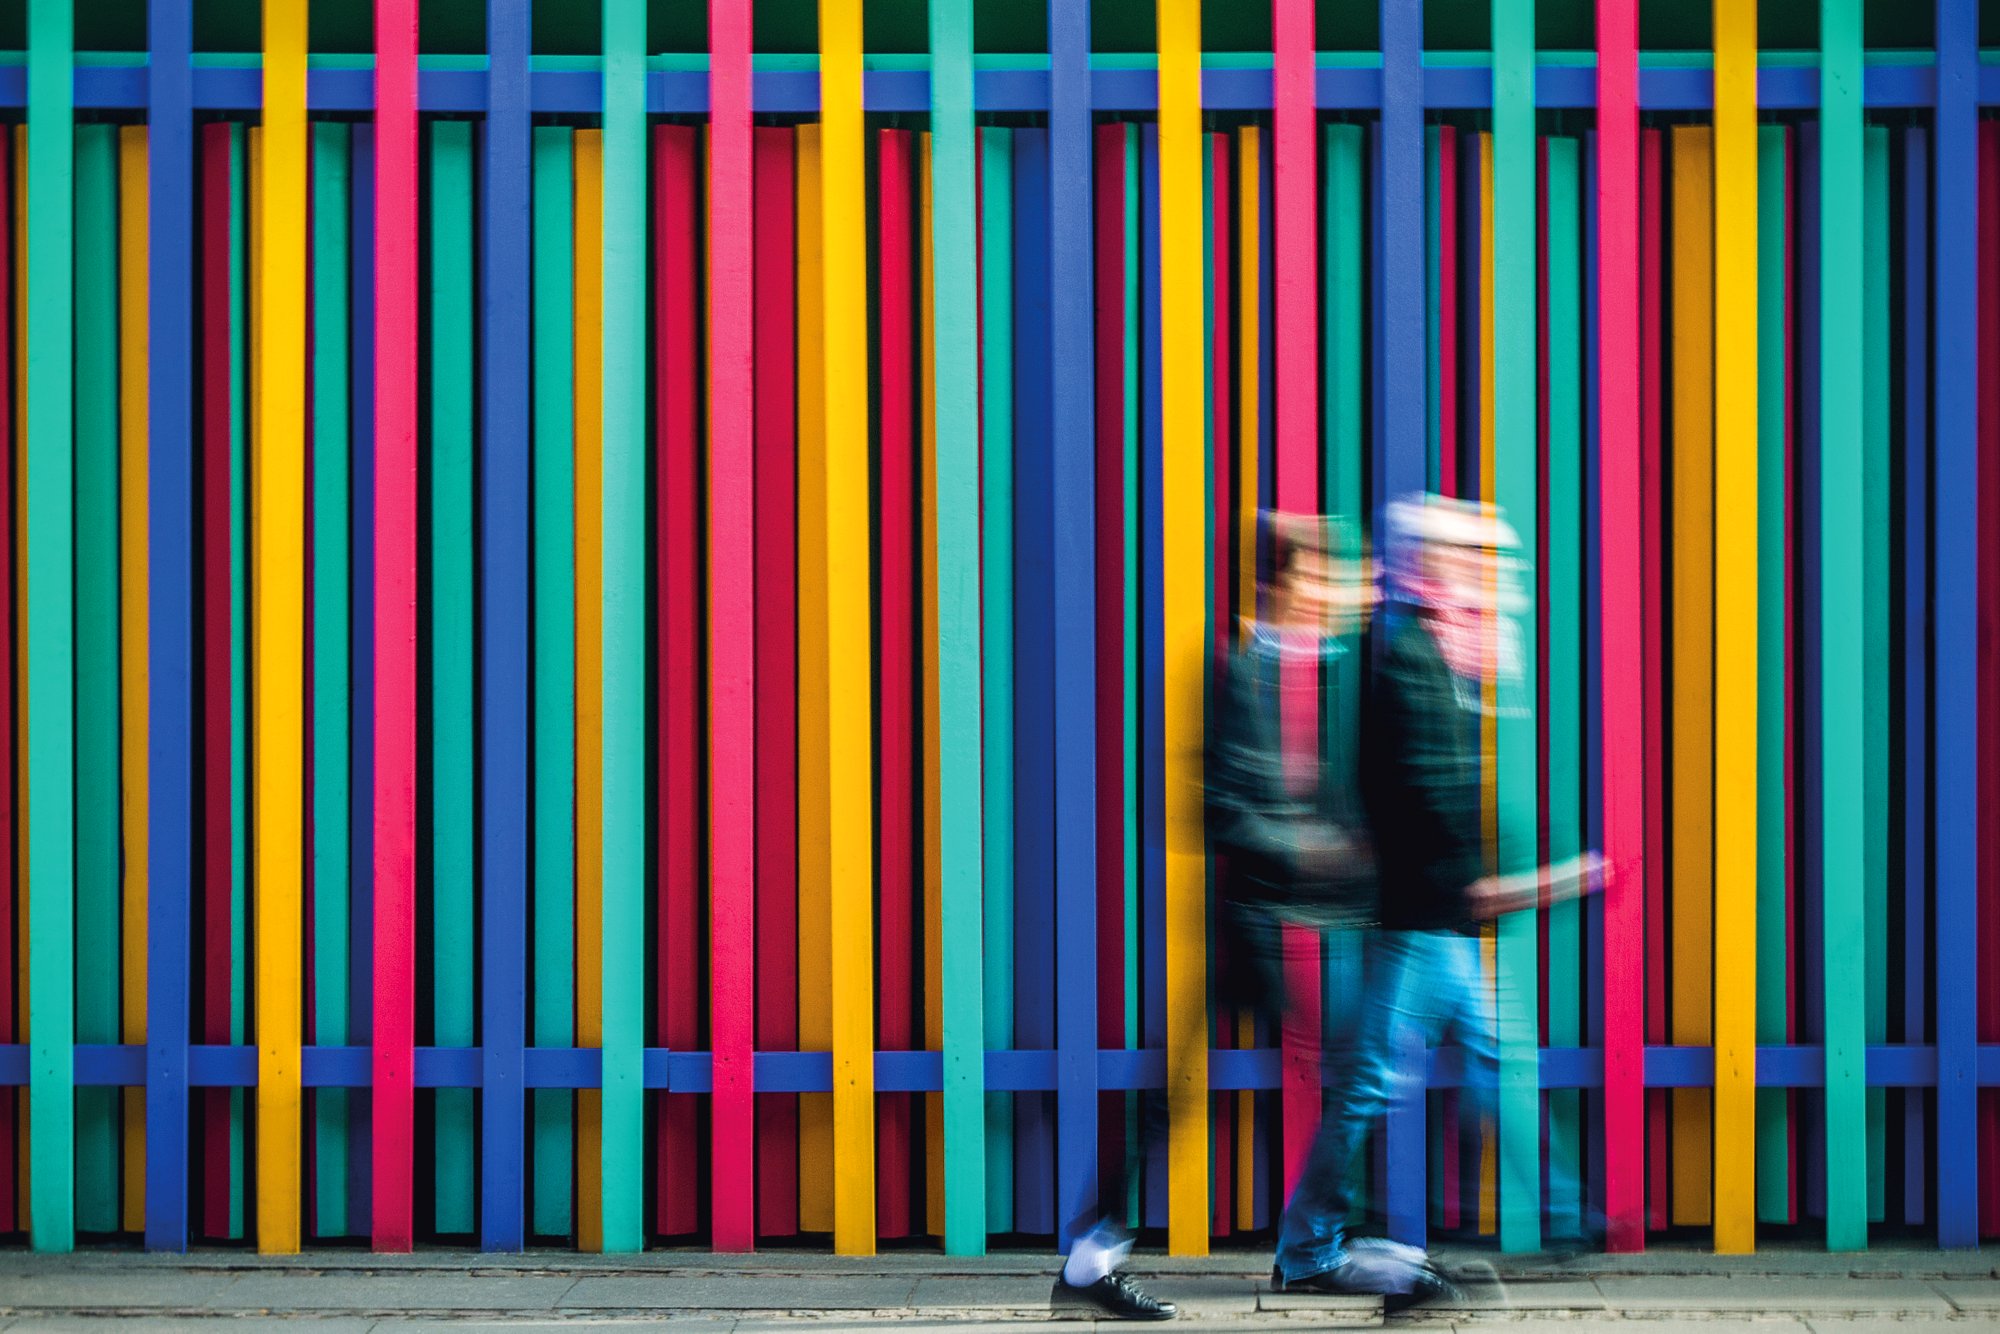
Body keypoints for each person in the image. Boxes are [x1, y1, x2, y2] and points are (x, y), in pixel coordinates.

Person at [1267, 495, 1598, 1304]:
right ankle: (1308, 1245)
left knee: (1489, 1056)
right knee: (1376, 1082)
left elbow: (1455, 796)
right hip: (1420, 919)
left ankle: (1562, 1215)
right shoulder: (1413, 662)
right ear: (1433, 572)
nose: (1487, 580)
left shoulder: (1441, 660)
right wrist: (1506, 881)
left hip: (1437, 916)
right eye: (1470, 563)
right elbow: (1427, 795)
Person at [1052, 514, 1377, 1322]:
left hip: (1304, 917)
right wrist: (1308, 849)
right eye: (1318, 575)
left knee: (1313, 1075)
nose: (1331, 589)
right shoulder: (1236, 671)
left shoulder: (1325, 672)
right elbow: (1213, 805)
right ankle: (1305, 1252)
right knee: (1305, 1076)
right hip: (1256, 921)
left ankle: (1104, 1259)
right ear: (1283, 583)